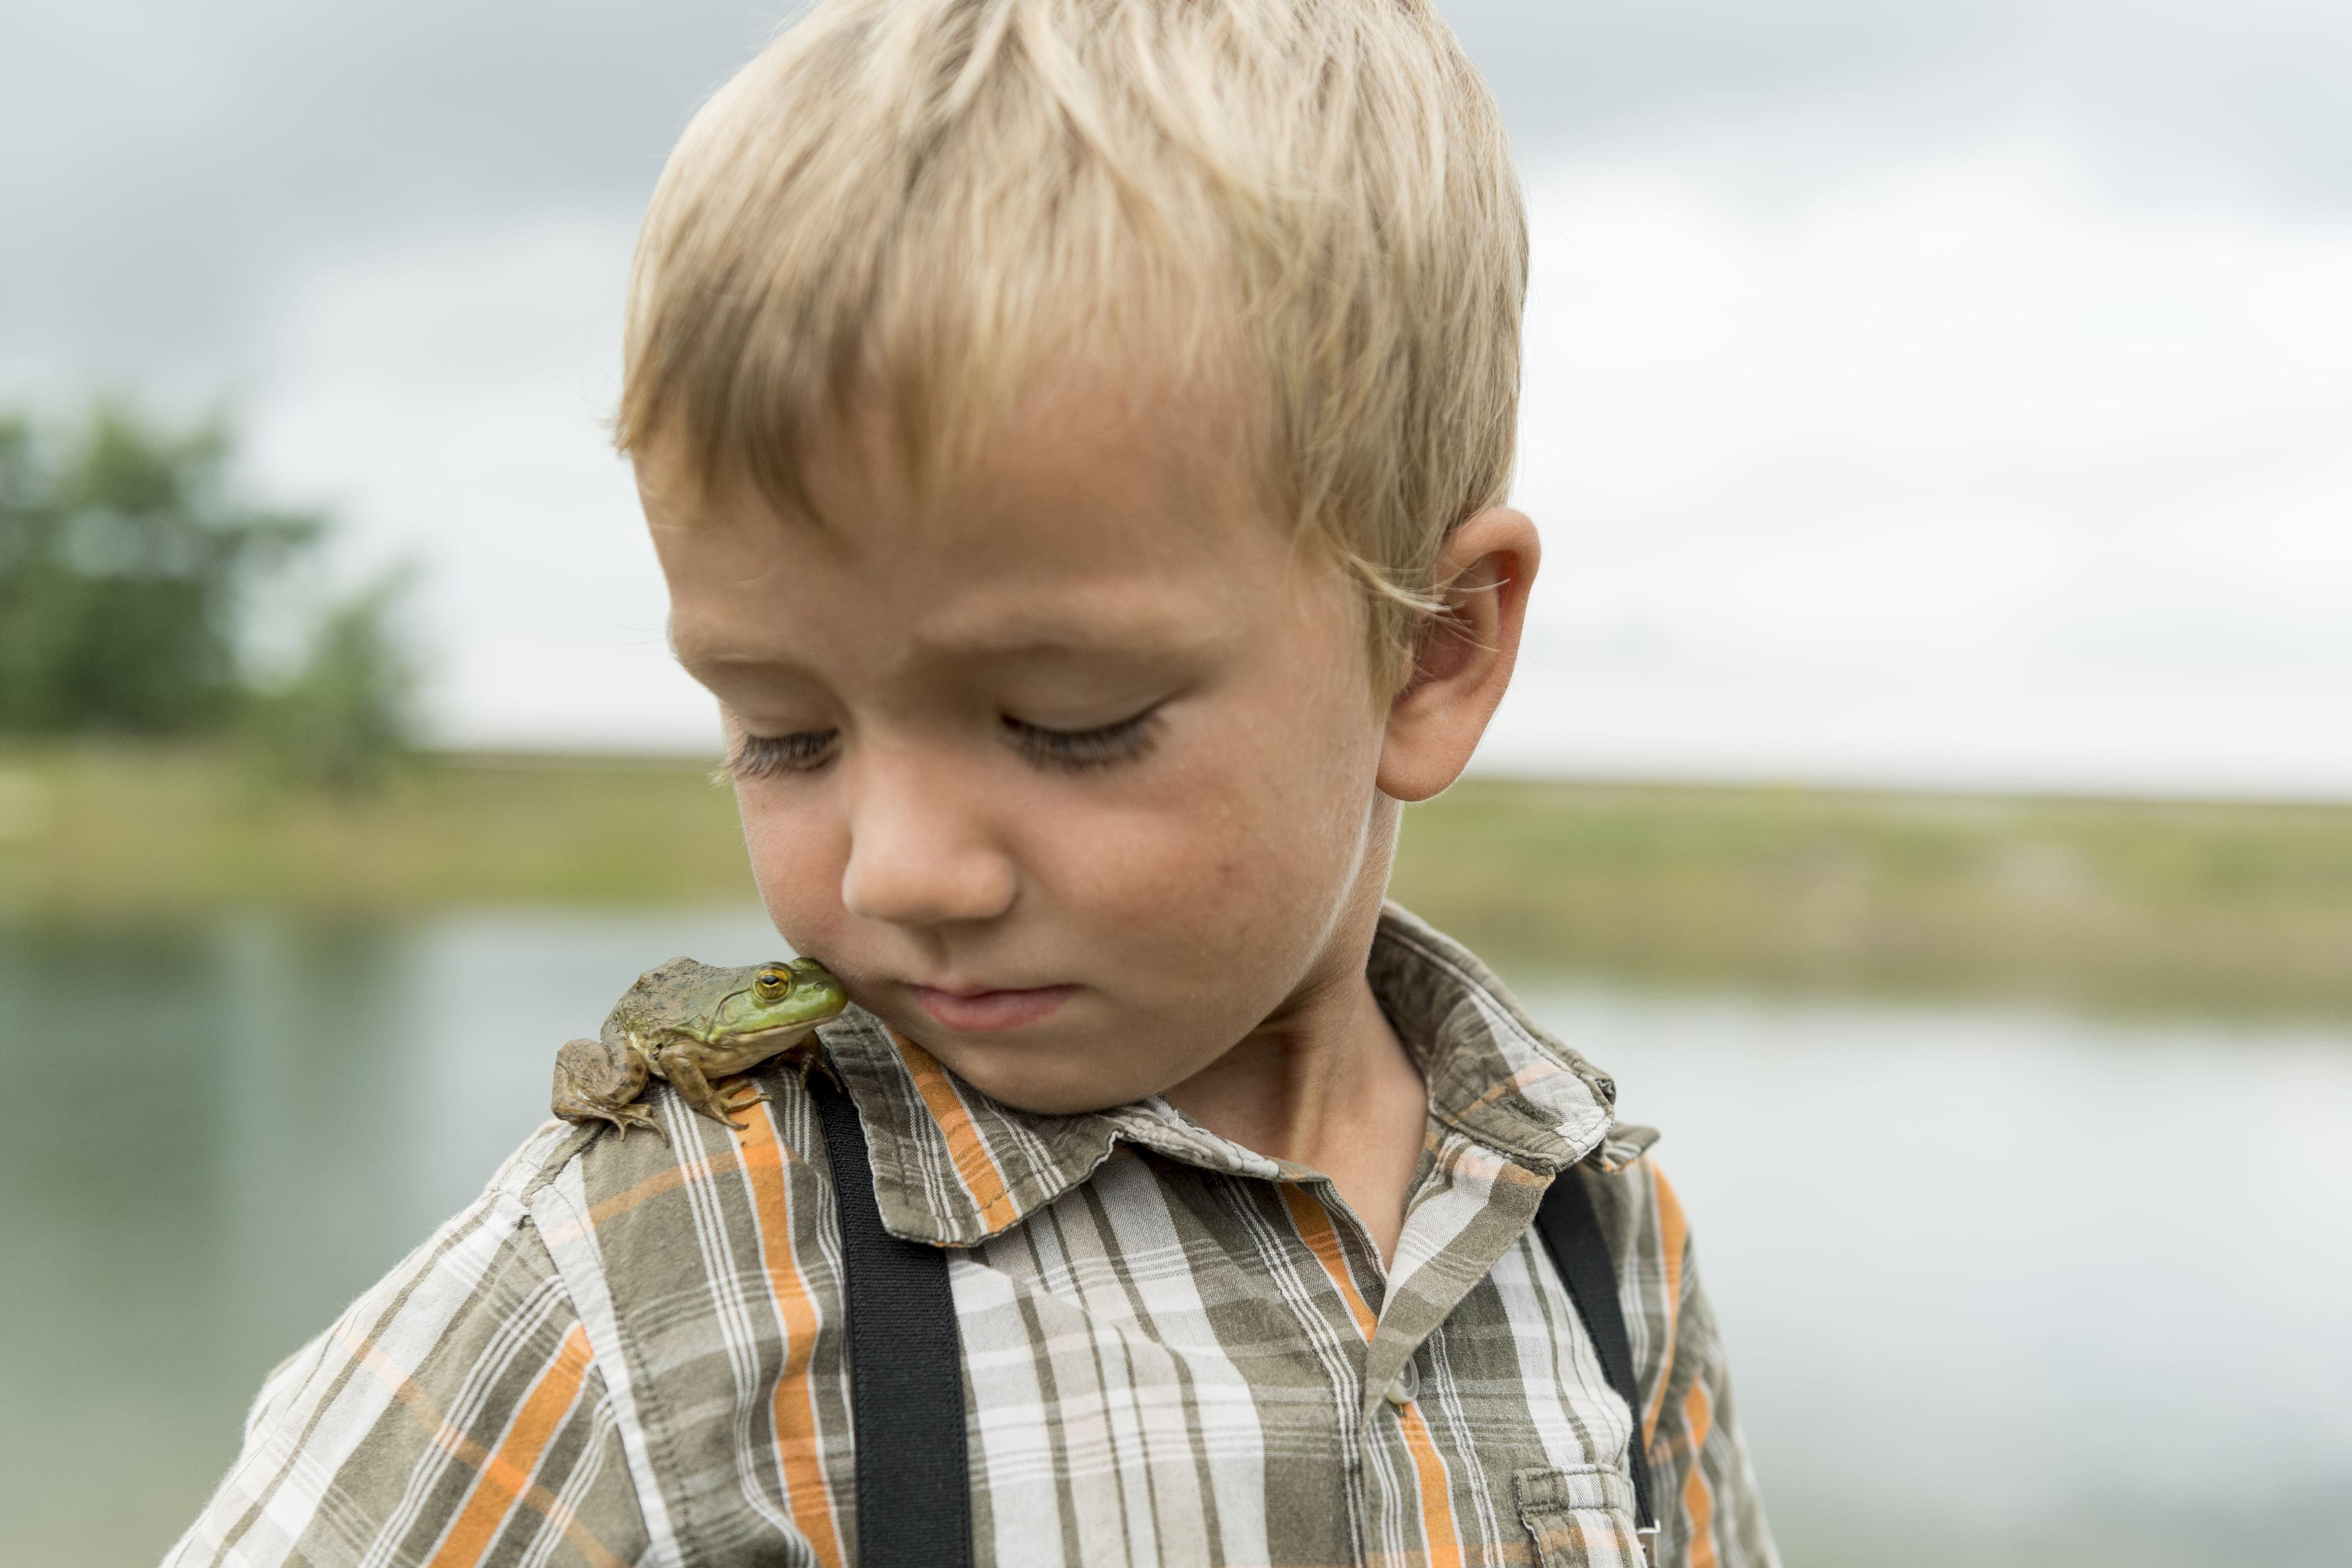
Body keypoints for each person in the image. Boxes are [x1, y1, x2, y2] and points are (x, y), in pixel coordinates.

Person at [167, 2, 1777, 1564]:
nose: (898, 873)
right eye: (786, 733)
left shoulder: (1600, 1242)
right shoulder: (659, 1282)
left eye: (1068, 722)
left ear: (1430, 653)